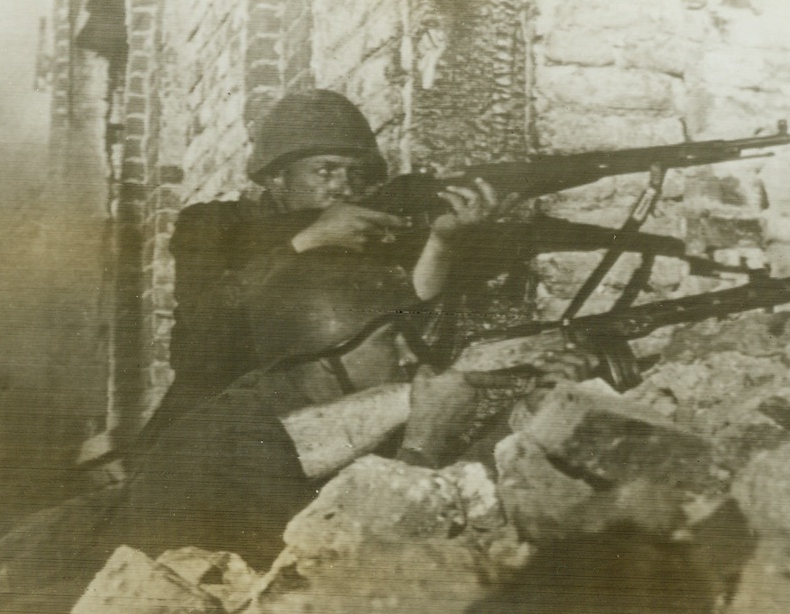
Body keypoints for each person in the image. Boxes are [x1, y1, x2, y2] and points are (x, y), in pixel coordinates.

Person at [112, 250, 521, 570]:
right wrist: (423, 443)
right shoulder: (231, 440)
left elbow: (458, 502)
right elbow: (333, 576)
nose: (410, 355)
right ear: (325, 354)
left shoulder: (304, 412)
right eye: (389, 338)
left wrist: (520, 423)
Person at [148, 89, 517, 441]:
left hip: (334, 419)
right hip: (218, 422)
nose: (344, 187)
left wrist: (443, 242)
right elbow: (205, 328)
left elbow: (412, 327)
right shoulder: (213, 225)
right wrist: (305, 242)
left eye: (356, 174)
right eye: (325, 172)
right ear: (277, 178)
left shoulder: (368, 239)